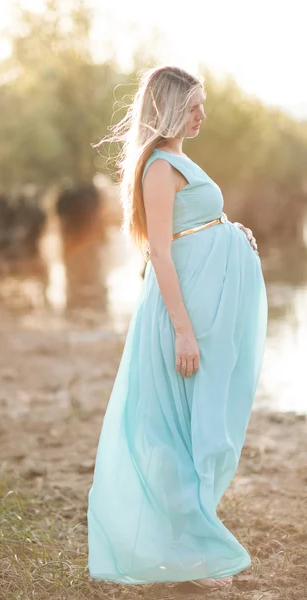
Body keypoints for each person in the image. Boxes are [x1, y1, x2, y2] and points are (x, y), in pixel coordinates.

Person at [87, 65, 268, 590]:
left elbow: (195, 226)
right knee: (190, 427)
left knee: (209, 422)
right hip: (187, 313)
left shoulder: (179, 159)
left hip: (207, 307)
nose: (201, 116)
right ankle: (196, 554)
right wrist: (183, 331)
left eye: (201, 105)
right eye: (192, 107)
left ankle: (193, 541)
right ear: (167, 108)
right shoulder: (159, 168)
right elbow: (160, 253)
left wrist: (232, 234)